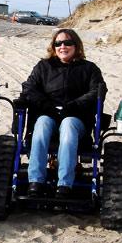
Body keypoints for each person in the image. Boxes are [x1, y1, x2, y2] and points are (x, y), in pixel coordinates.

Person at [16, 28, 106, 198]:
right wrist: (46, 104)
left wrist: (73, 106)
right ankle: (35, 181)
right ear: (53, 46)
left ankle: (64, 184)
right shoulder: (44, 67)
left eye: (67, 42)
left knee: (68, 124)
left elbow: (97, 91)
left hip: (76, 118)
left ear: (76, 46)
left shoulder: (89, 69)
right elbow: (29, 87)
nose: (62, 46)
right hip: (48, 114)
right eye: (58, 43)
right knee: (42, 123)